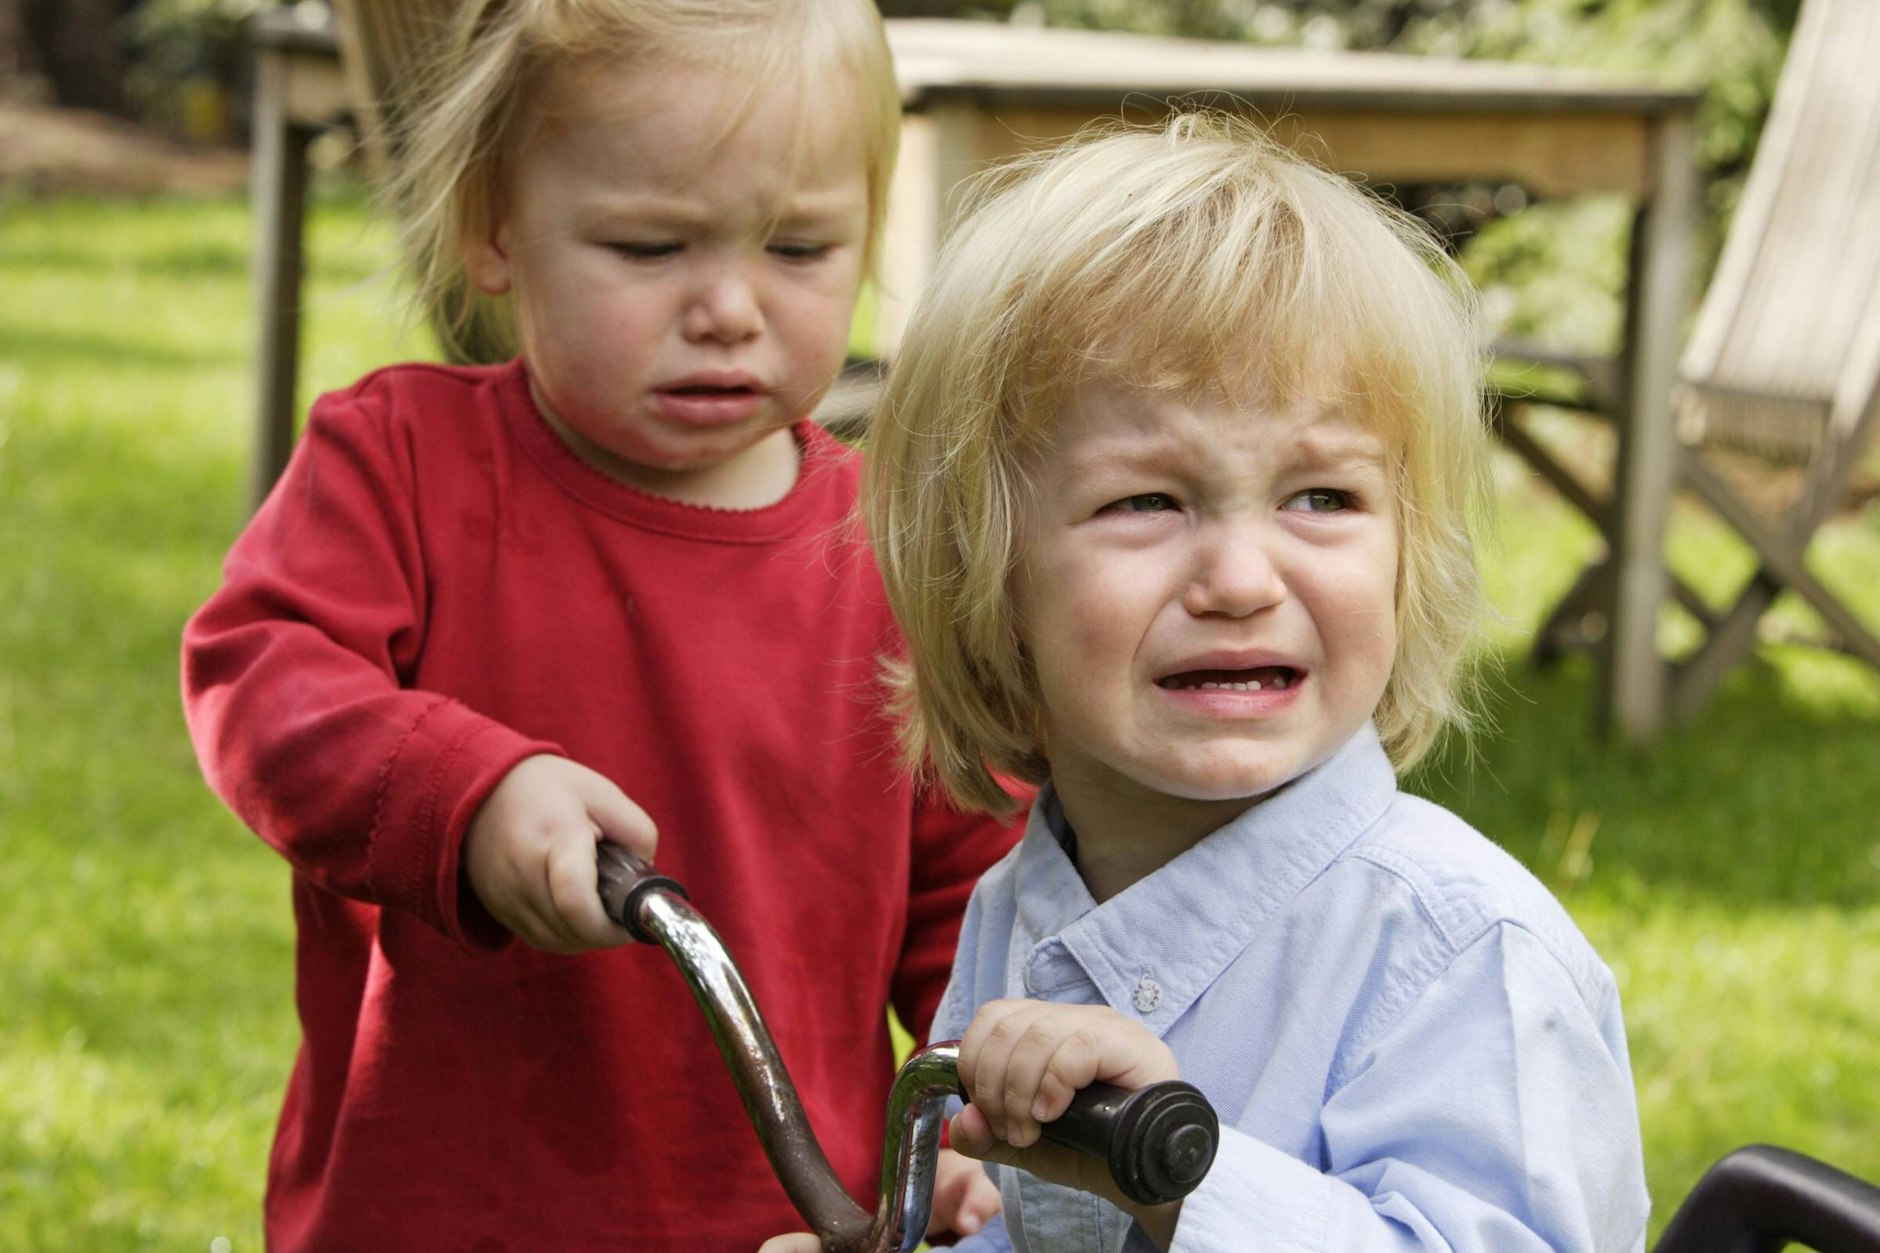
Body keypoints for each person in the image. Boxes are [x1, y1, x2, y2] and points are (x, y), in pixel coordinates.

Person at [180, 1, 1018, 1248]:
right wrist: (466, 798)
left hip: (780, 1218)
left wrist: (960, 1121)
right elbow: (261, 678)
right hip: (441, 1209)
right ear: (492, 231)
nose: (729, 307)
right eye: (646, 246)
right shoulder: (403, 463)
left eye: (798, 249)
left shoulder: (889, 554)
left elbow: (975, 891)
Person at [764, 114, 1649, 1252]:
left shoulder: (1461, 953)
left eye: (1320, 497)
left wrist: (1180, 1176)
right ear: (986, 574)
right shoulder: (1024, 908)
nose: (1238, 576)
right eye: (1147, 501)